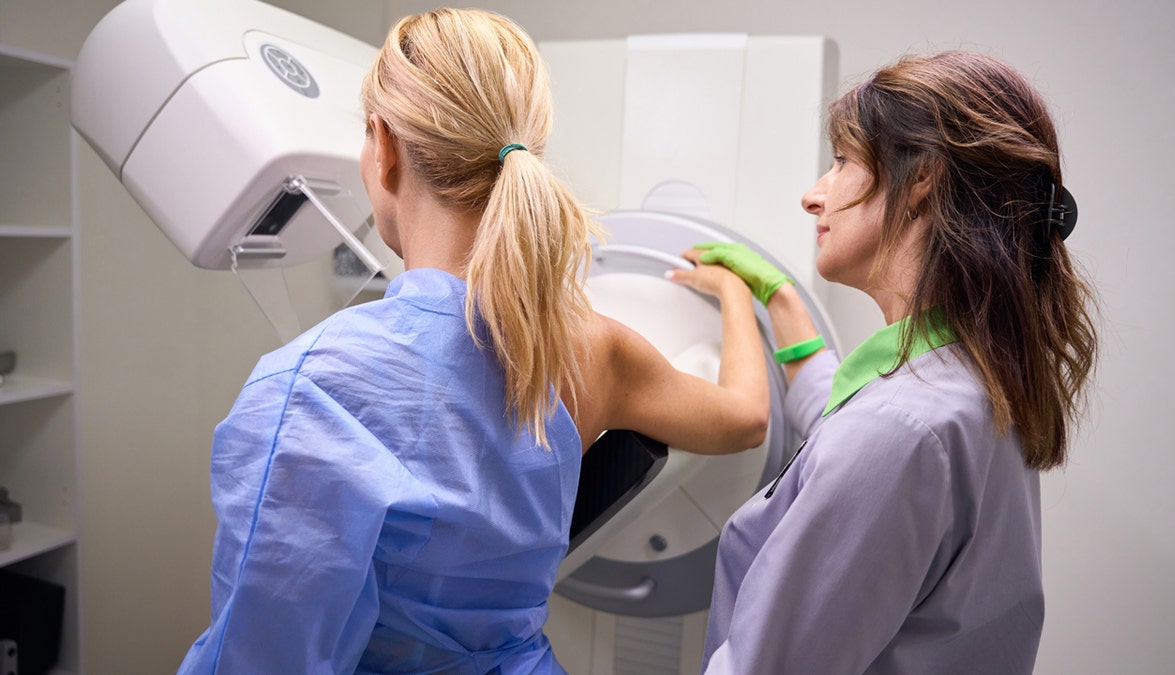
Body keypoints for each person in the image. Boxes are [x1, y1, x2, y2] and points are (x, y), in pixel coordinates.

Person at [177, 8, 767, 674]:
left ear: (384, 146)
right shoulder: (593, 350)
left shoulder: (309, 390)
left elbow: (263, 659)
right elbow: (746, 419)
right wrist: (737, 296)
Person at [690, 50, 1099, 674]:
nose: (813, 196)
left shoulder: (900, 431)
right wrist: (780, 302)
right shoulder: (972, 377)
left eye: (843, 162)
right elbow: (850, 415)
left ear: (921, 179)